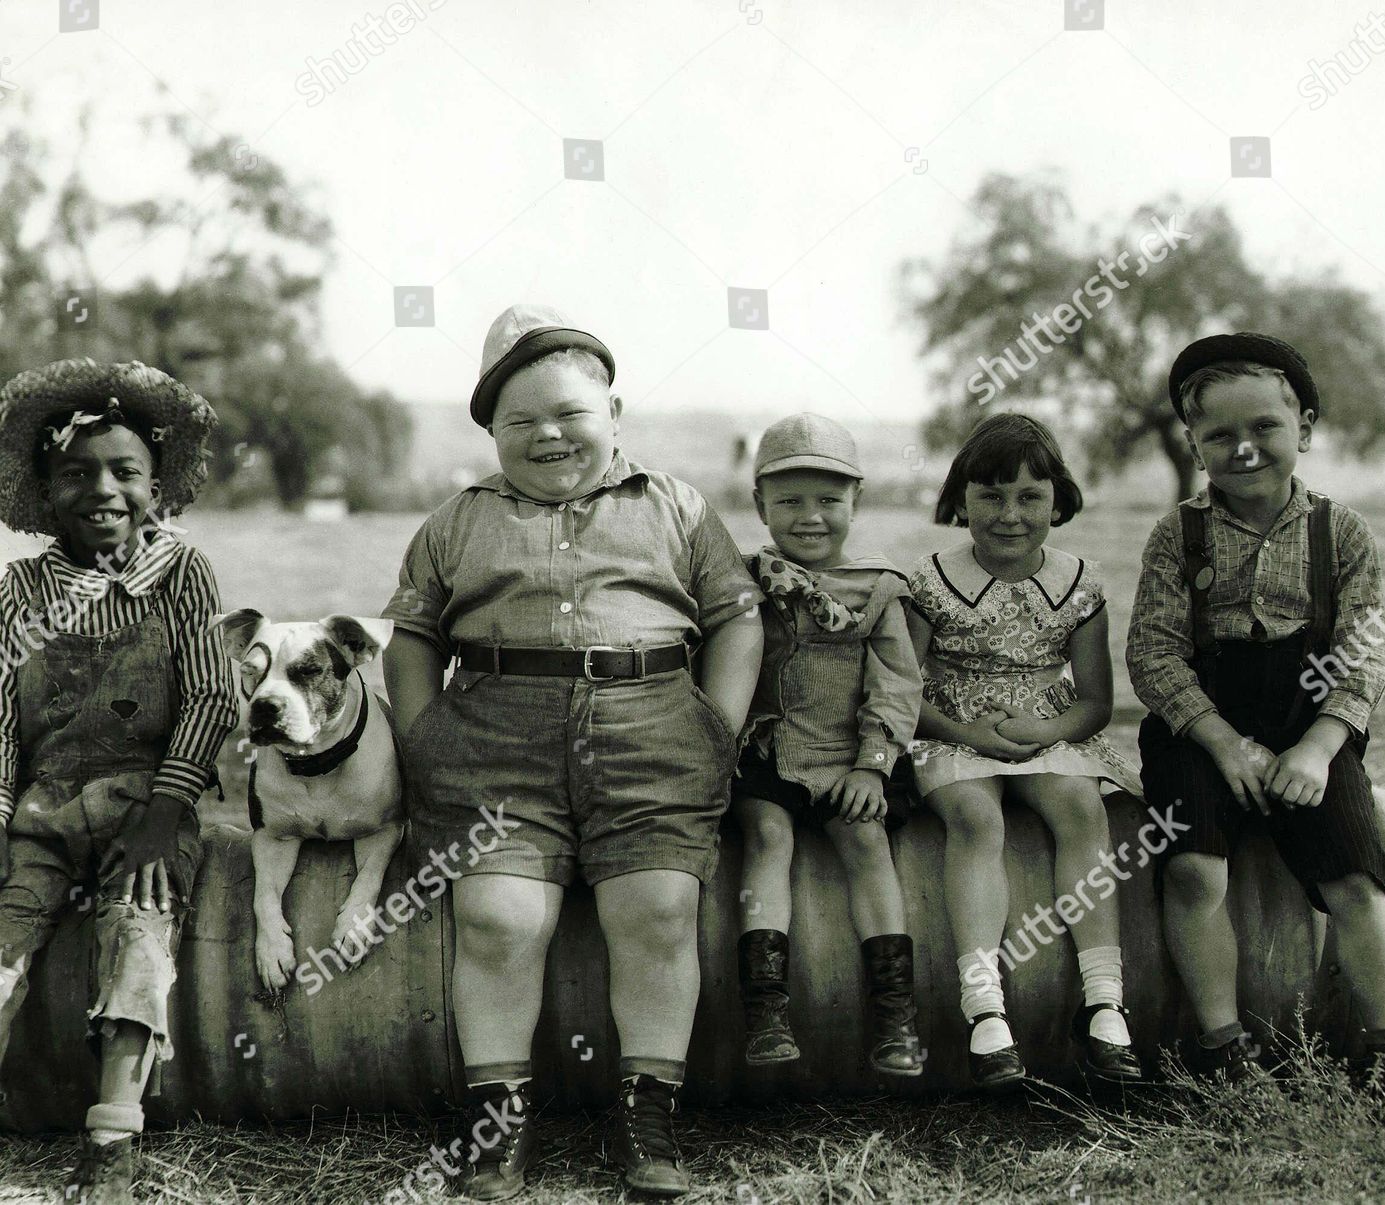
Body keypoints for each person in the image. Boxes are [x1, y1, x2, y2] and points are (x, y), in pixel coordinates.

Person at [381, 304, 763, 1200]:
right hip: (492, 743)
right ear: (492, 433)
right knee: (498, 921)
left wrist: (718, 725)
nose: (547, 434)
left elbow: (738, 619)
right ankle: (498, 1123)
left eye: (570, 414)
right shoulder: (457, 520)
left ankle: (647, 1115)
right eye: (519, 421)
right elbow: (408, 639)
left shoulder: (678, 506)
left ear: (615, 414)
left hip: (655, 733)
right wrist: (423, 734)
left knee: (660, 909)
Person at [1126, 332, 1385, 1088]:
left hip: (1306, 726)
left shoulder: (1341, 533)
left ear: (1305, 430)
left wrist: (1319, 748)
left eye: (1265, 428)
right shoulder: (1176, 534)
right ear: (1193, 445)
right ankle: (1224, 1049)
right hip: (1202, 729)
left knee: (1357, 878)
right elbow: (1153, 655)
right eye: (1220, 434)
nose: (1243, 447)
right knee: (1192, 870)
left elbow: (1366, 652)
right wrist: (1223, 744)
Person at [0, 359, 237, 1203]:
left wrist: (167, 810)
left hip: (148, 803)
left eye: (125, 472)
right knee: (4, 941)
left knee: (139, 931)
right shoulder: (21, 589)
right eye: (76, 473)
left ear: (155, 484)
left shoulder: (181, 574)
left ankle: (112, 1135)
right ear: (45, 489)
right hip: (45, 810)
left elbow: (212, 693)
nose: (102, 489)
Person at [907, 412, 1144, 1091]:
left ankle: (1104, 1001)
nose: (1010, 515)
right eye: (990, 496)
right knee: (978, 819)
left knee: (1079, 805)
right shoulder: (929, 580)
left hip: (1047, 722)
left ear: (1057, 501)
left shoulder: (1080, 583)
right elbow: (900, 689)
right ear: (959, 500)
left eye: (1030, 497)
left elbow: (1095, 700)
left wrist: (1046, 732)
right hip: (951, 723)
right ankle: (985, 1011)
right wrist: (969, 733)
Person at [733, 413, 924, 1076]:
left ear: (856, 502)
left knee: (866, 838)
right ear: (760, 505)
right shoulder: (743, 583)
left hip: (851, 756)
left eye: (828, 500)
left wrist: (873, 766)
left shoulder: (877, 589)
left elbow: (898, 684)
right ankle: (765, 1010)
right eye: (789, 501)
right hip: (771, 750)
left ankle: (896, 1014)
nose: (809, 517)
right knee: (765, 833)